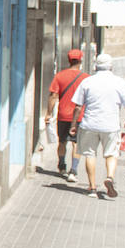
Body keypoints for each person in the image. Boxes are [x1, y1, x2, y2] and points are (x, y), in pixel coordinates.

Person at [71, 53, 125, 199]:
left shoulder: (87, 81)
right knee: (112, 154)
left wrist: (74, 124)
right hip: (111, 126)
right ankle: (110, 177)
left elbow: (77, 106)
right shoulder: (119, 82)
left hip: (89, 124)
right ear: (111, 66)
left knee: (90, 154)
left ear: (96, 66)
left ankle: (92, 188)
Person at [45, 49, 87, 182]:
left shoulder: (59, 76)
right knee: (76, 144)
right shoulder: (86, 78)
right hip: (79, 116)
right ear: (80, 60)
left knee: (62, 141)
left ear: (69, 60)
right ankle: (73, 171)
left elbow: (53, 96)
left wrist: (48, 113)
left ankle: (62, 165)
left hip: (63, 115)